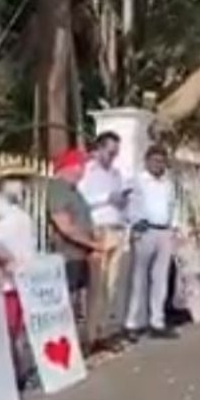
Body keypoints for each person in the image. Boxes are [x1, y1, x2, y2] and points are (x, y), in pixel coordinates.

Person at [0, 170, 38, 388]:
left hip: (23, 278)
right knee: (7, 329)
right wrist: (4, 261)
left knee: (18, 329)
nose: (20, 185)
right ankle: (7, 377)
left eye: (22, 181)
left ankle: (19, 372)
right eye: (15, 180)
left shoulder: (17, 209)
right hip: (6, 279)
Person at [77, 131, 129, 353]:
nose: (112, 158)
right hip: (98, 229)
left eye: (116, 153)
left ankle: (103, 330)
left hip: (116, 227)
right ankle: (90, 335)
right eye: (109, 153)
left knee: (111, 284)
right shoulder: (87, 172)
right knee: (97, 284)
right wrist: (105, 199)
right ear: (98, 149)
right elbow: (81, 201)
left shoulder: (116, 174)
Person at [46, 147, 106, 331]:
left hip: (81, 254)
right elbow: (65, 226)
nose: (83, 171)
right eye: (80, 166)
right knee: (69, 300)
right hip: (68, 254)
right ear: (69, 167)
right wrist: (93, 244)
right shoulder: (58, 189)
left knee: (81, 299)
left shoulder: (74, 191)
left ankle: (84, 340)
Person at [125, 144, 177, 342]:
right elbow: (129, 205)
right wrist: (136, 224)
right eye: (155, 161)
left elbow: (172, 206)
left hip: (164, 230)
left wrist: (174, 228)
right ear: (147, 161)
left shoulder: (167, 183)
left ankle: (157, 321)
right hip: (145, 230)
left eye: (161, 161)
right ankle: (133, 322)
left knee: (160, 279)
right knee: (139, 278)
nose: (158, 165)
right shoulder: (137, 181)